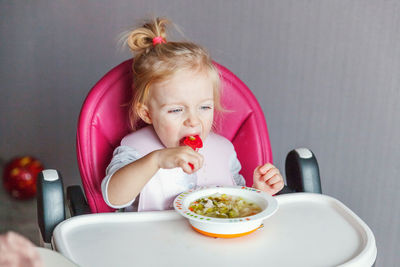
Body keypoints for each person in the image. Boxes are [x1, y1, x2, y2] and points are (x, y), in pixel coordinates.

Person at [101, 18, 284, 212]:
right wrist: (155, 160)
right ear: (146, 113)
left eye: (204, 107)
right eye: (176, 110)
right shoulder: (135, 151)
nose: (193, 121)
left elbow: (234, 207)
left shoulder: (224, 151)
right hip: (150, 241)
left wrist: (258, 192)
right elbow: (113, 197)